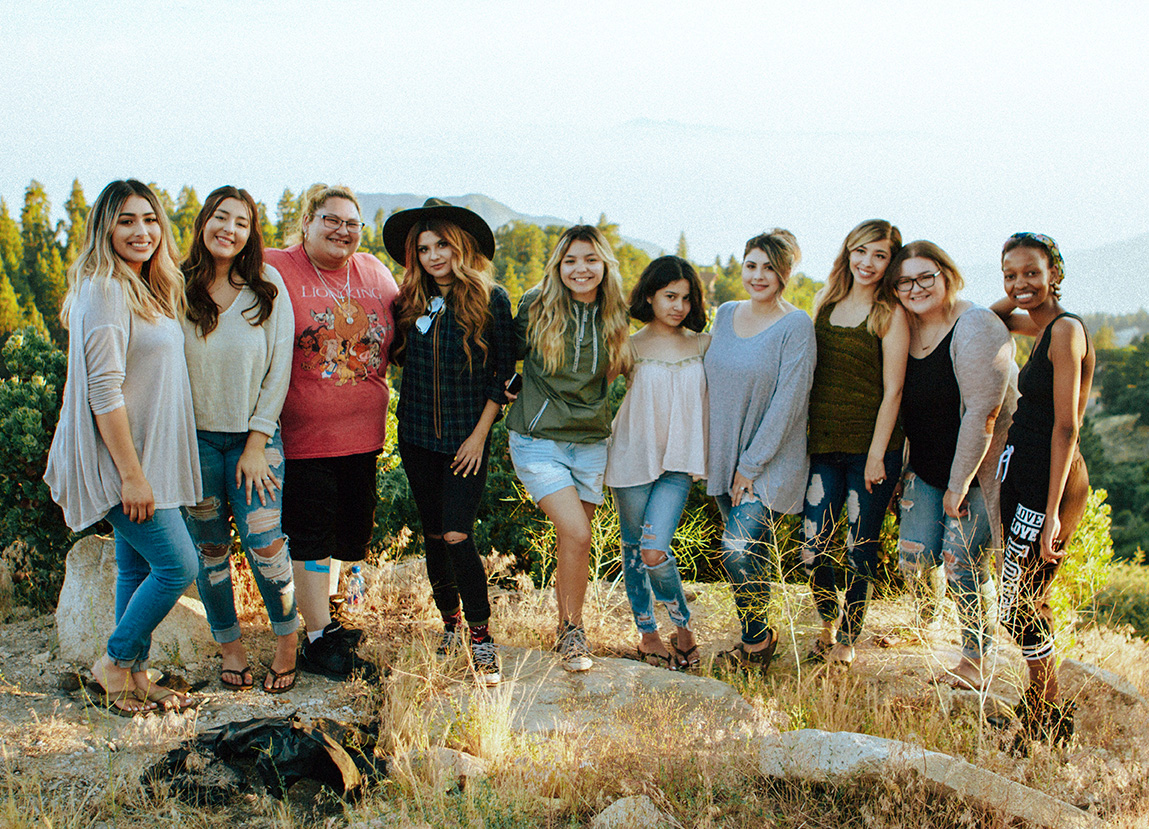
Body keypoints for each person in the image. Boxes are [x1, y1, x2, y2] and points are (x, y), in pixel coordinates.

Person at [44, 180, 200, 715]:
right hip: (124, 463)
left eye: (150, 219)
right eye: (127, 220)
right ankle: (113, 661)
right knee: (180, 566)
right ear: (105, 228)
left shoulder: (140, 286)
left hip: (147, 458)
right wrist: (132, 476)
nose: (142, 231)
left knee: (135, 568)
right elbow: (103, 390)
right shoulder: (107, 288)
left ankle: (133, 676)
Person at [265, 184, 398, 679]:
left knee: (349, 533)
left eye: (352, 223)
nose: (342, 230)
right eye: (331, 219)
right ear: (306, 222)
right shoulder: (276, 265)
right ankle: (318, 637)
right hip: (305, 434)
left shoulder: (376, 273)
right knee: (312, 535)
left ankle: (331, 621)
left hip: (365, 434)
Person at [383, 199, 515, 686]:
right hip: (416, 438)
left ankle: (481, 637)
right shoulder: (407, 302)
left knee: (458, 532)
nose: (434, 255)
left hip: (467, 442)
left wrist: (480, 436)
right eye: (423, 248)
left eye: (442, 244)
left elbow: (505, 376)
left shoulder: (490, 299)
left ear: (460, 247)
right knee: (435, 535)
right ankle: (449, 623)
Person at [180, 186, 298, 693]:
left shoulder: (267, 285)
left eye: (241, 222)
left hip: (256, 441)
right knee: (209, 551)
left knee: (266, 545)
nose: (228, 229)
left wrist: (255, 444)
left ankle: (287, 642)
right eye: (219, 217)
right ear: (204, 222)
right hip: (192, 445)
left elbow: (279, 372)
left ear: (251, 233)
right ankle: (230, 647)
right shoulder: (174, 286)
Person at [888, 241, 1017, 691]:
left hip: (977, 472)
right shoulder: (905, 325)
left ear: (947, 273)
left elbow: (984, 412)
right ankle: (928, 624)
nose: (916, 287)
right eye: (905, 281)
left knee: (962, 560)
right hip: (924, 467)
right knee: (915, 555)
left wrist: (958, 485)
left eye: (926, 276)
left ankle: (976, 660)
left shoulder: (975, 325)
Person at [506, 225, 632, 672]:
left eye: (590, 260)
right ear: (558, 265)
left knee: (573, 542)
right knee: (579, 533)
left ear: (604, 265)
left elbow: (619, 373)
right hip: (538, 440)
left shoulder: (616, 312)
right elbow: (504, 355)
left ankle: (569, 629)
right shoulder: (536, 305)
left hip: (591, 442)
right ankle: (573, 632)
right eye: (571, 261)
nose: (581, 269)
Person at [991, 232, 1094, 743]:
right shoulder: (1042, 324)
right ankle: (1041, 705)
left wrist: (1051, 511)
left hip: (1047, 483)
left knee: (1023, 599)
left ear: (1055, 270)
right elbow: (988, 320)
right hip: (1024, 475)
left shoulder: (1066, 331)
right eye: (1010, 274)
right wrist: (1019, 295)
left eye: (1032, 271)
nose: (1019, 284)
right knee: (1017, 596)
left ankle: (1047, 712)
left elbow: (1067, 427)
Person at [705, 229, 816, 672]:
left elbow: (789, 402)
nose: (758, 275)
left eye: (770, 267)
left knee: (735, 548)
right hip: (725, 459)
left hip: (769, 461)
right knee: (748, 556)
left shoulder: (796, 325)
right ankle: (756, 642)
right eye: (752, 265)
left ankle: (757, 640)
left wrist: (750, 465)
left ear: (785, 273)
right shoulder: (726, 313)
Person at [801, 220, 908, 667]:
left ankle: (847, 636)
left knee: (859, 544)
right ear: (848, 252)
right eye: (861, 251)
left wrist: (878, 455)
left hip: (871, 448)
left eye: (879, 255)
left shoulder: (891, 314)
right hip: (822, 444)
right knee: (812, 544)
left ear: (890, 262)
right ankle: (827, 619)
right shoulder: (825, 303)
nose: (867, 262)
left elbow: (894, 392)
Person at [605, 256, 709, 670]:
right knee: (634, 550)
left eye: (686, 298)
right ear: (650, 295)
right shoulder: (629, 345)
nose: (678, 306)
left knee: (653, 550)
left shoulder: (704, 344)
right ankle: (648, 634)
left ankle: (683, 628)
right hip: (631, 458)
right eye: (669, 296)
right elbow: (590, 395)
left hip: (678, 465)